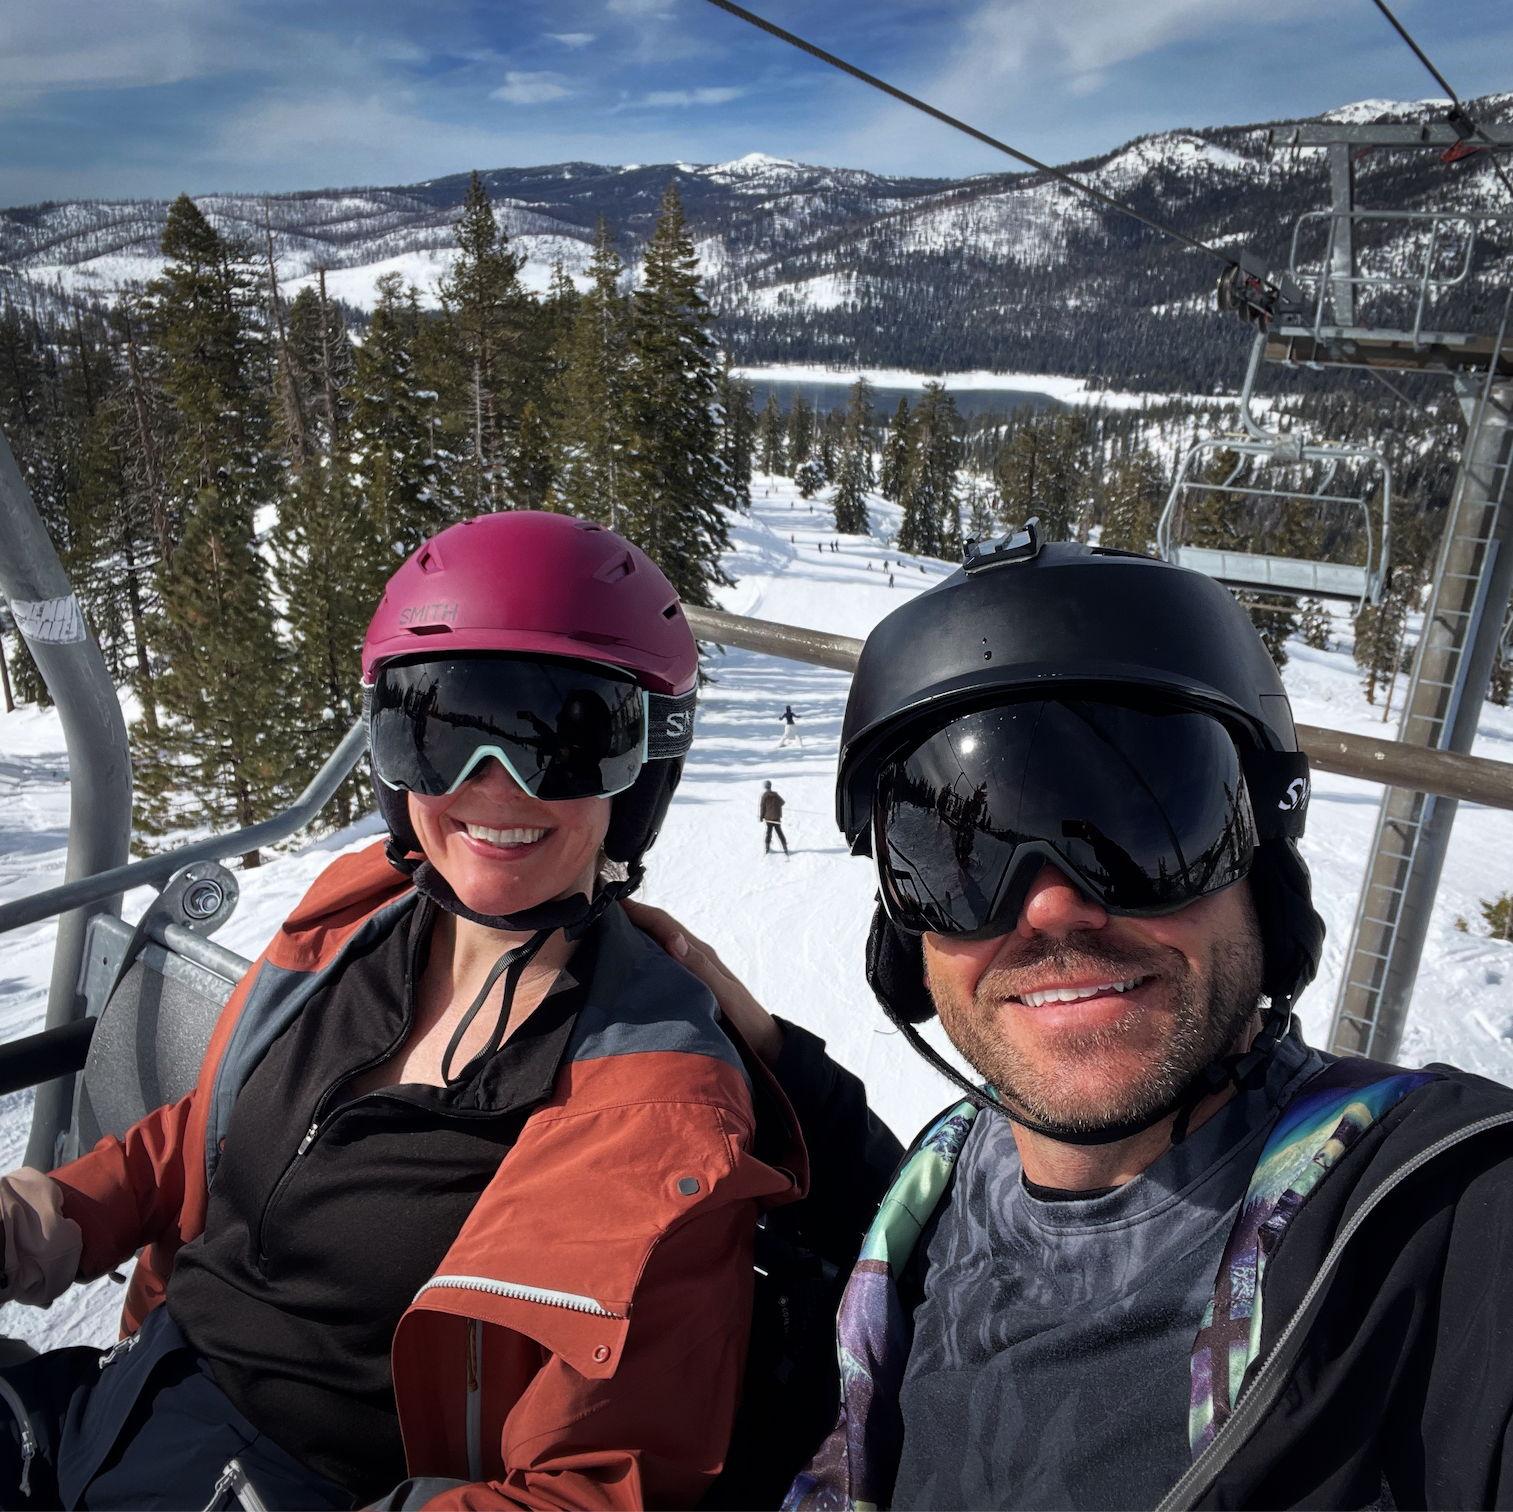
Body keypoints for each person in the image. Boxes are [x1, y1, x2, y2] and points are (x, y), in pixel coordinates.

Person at [0, 512, 892, 1511]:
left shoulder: (658, 1107)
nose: (490, 787)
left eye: (560, 739)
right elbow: (216, 1130)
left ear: (642, 776)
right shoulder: (355, 919)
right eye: (441, 728)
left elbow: (596, 1489)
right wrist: (46, 1217)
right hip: (124, 1396)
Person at [657, 529, 1513, 1511]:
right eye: (958, 859)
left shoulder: (1438, 1224)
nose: (1052, 908)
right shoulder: (932, 1203)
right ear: (904, 938)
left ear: (1263, 881)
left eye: (1144, 833)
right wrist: (766, 1057)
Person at [760, 781, 790, 857]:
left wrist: (761, 817)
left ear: (765, 787)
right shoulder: (775, 795)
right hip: (776, 817)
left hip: (769, 818)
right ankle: (785, 848)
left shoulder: (764, 796)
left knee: (769, 832)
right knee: (779, 832)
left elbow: (762, 807)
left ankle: (767, 848)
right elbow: (782, 802)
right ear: (770, 786)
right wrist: (776, 805)